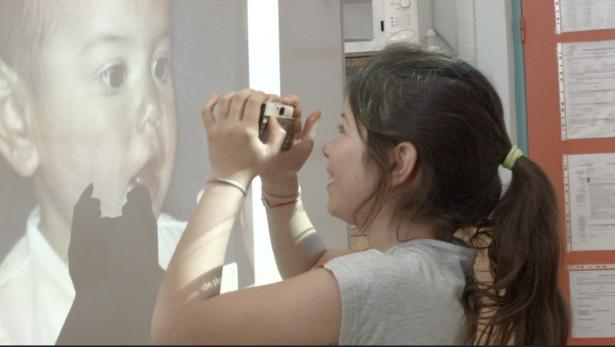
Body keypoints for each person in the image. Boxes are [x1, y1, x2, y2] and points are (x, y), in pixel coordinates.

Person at [152, 44, 569, 345]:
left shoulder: (392, 282)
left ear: (398, 163)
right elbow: (311, 267)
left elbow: (179, 331)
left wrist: (228, 174)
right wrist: (281, 184)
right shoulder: (428, 271)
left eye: (343, 129)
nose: (329, 149)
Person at [0, 0, 243, 344]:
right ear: (18, 121)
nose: (152, 110)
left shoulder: (205, 255)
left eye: (160, 67)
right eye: (113, 75)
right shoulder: (8, 321)